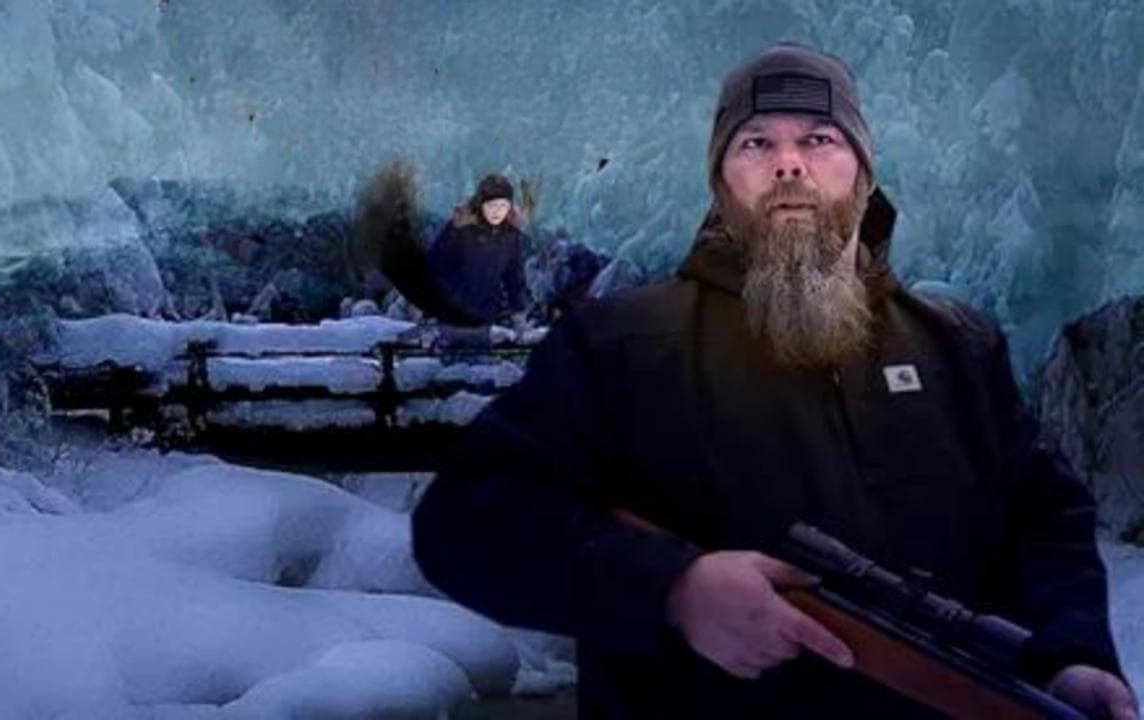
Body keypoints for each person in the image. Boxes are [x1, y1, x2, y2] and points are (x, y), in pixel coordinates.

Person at [411, 43, 1138, 719]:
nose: (789, 164)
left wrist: (1069, 657)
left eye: (818, 140)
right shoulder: (618, 347)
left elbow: (1045, 523)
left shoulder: (957, 349)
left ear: (864, 173)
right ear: (721, 183)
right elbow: (465, 522)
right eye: (757, 144)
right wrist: (673, 589)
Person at [422, 173, 531, 331]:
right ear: (481, 204)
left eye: (503, 206)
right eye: (492, 205)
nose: (497, 211)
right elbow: (434, 265)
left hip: (485, 317)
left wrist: (519, 315)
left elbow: (514, 276)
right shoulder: (460, 229)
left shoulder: (510, 236)